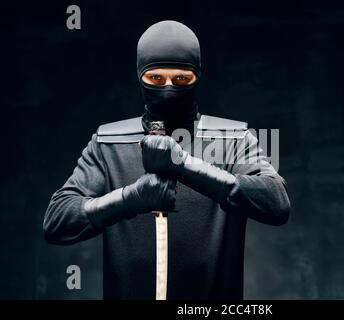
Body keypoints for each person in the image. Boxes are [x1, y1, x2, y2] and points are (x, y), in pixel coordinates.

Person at [43, 20, 291, 299]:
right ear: (140, 76)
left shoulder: (233, 139)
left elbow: (276, 203)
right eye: (156, 79)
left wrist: (183, 165)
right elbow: (57, 222)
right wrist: (129, 199)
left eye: (182, 79)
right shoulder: (109, 143)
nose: (169, 87)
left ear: (197, 76)